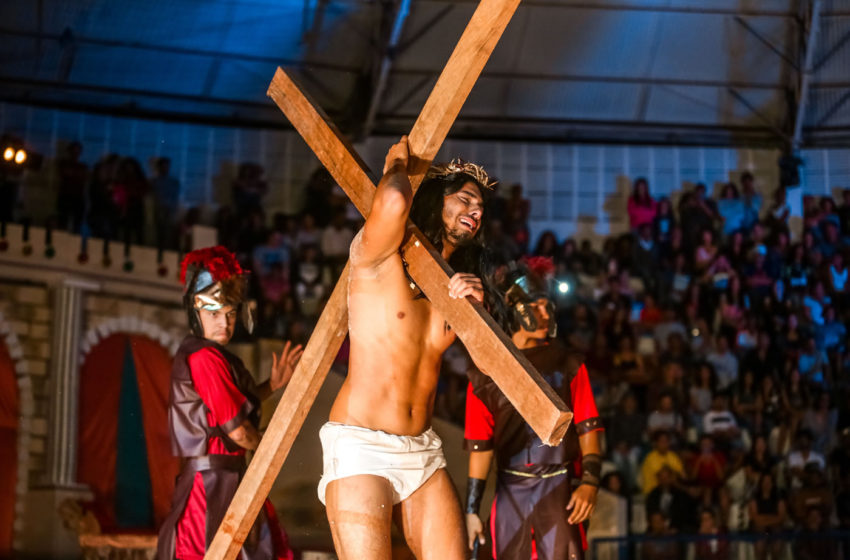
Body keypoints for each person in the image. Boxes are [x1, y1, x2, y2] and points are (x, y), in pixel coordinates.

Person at [317, 140, 497, 559]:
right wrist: (396, 165)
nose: (477, 212)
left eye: (481, 208)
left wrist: (479, 311)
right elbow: (396, 198)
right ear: (437, 198)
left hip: (422, 451)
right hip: (361, 446)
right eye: (467, 198)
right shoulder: (378, 256)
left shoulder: (454, 286)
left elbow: (489, 367)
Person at [157, 246, 301, 560]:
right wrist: (266, 444)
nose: (224, 323)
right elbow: (236, 430)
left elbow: (225, 406)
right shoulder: (205, 357)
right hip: (211, 490)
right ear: (196, 313)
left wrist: (271, 386)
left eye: (230, 314)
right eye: (214, 314)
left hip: (224, 481)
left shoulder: (213, 355)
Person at [463, 258, 603, 560]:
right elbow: (480, 445)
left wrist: (590, 481)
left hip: (559, 487)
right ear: (513, 310)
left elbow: (589, 428)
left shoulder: (568, 365)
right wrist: (471, 510)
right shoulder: (485, 372)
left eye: (546, 306)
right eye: (535, 306)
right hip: (510, 490)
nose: (544, 314)